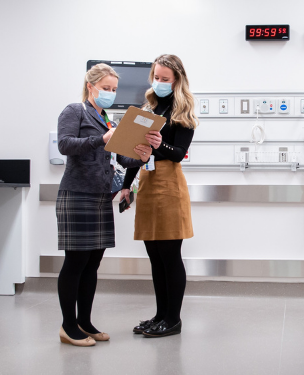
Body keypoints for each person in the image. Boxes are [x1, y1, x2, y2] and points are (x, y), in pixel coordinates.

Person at [55, 63, 152, 347]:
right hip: (77, 195)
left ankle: (84, 321)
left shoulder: (107, 118)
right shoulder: (75, 111)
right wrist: (101, 138)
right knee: (75, 262)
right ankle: (68, 325)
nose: (110, 93)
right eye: (106, 88)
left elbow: (121, 158)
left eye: (113, 89)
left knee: (92, 263)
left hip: (99, 198)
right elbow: (64, 144)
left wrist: (142, 156)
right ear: (91, 87)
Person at [120, 54, 197, 338]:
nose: (159, 82)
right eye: (156, 77)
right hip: (147, 181)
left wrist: (159, 143)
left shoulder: (183, 111)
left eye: (165, 79)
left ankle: (173, 319)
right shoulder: (148, 108)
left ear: (177, 79)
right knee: (154, 255)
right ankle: (160, 315)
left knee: (169, 255)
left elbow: (177, 154)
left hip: (169, 183)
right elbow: (134, 151)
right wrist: (127, 186)